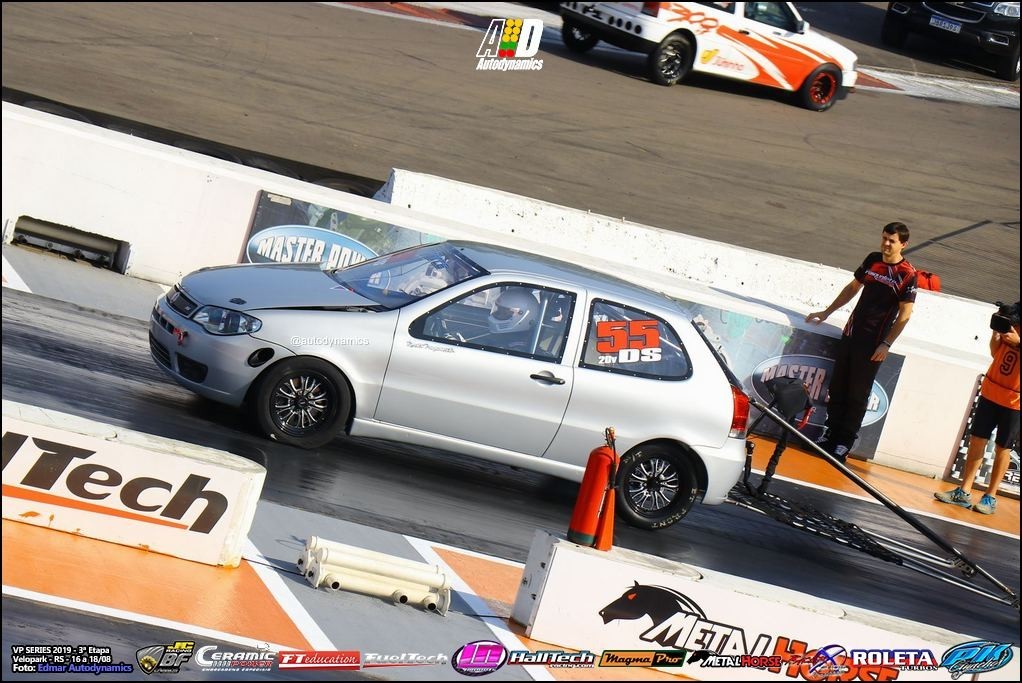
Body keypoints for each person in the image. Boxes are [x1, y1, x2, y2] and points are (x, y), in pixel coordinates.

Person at [805, 222, 917, 462]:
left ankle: (844, 442)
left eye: (892, 241)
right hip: (851, 333)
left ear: (903, 244)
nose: (886, 244)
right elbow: (852, 288)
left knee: (858, 394)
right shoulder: (873, 259)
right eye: (884, 238)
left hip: (873, 343)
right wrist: (826, 312)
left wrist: (886, 344)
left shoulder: (907, 274)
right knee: (838, 387)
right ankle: (830, 434)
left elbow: (905, 315)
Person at [935, 304, 1020, 515]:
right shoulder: (1013, 322)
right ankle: (964, 491)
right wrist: (996, 333)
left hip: (1015, 400)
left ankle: (990, 497)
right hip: (991, 391)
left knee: (1003, 448)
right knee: (977, 440)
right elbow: (995, 353)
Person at [486, 287, 540, 352]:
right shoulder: (505, 337)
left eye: (505, 313)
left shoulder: (518, 350)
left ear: (525, 317)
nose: (499, 315)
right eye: (499, 310)